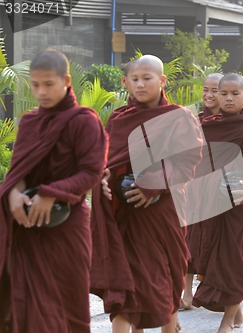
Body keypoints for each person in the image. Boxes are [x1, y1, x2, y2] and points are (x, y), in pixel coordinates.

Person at [90, 55, 203, 333]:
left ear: (162, 80)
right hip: (124, 209)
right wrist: (102, 178)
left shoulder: (178, 117)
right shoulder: (118, 118)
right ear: (124, 82)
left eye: (147, 78)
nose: (140, 84)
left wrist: (151, 186)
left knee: (166, 271)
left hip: (163, 210)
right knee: (123, 276)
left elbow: (188, 160)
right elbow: (105, 158)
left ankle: (169, 328)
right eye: (134, 79)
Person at [0, 49, 108, 332]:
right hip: (28, 228)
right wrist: (12, 192)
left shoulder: (84, 120)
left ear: (66, 80)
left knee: (67, 307)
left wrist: (51, 192)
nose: (41, 91)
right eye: (35, 84)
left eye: (48, 84)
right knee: (25, 305)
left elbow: (91, 172)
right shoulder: (29, 122)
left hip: (66, 227)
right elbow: (18, 171)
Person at [192, 73, 243, 333]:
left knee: (236, 258)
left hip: (242, 204)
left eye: (234, 94)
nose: (228, 99)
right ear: (215, 96)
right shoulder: (205, 125)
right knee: (207, 258)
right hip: (210, 202)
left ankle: (227, 320)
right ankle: (236, 306)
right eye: (223, 94)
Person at [181, 72, 224, 311]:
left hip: (220, 190)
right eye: (205, 89)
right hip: (195, 188)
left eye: (215, 90)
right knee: (190, 239)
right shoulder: (196, 120)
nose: (208, 95)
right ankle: (186, 294)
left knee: (220, 243)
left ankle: (227, 297)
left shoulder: (235, 123)